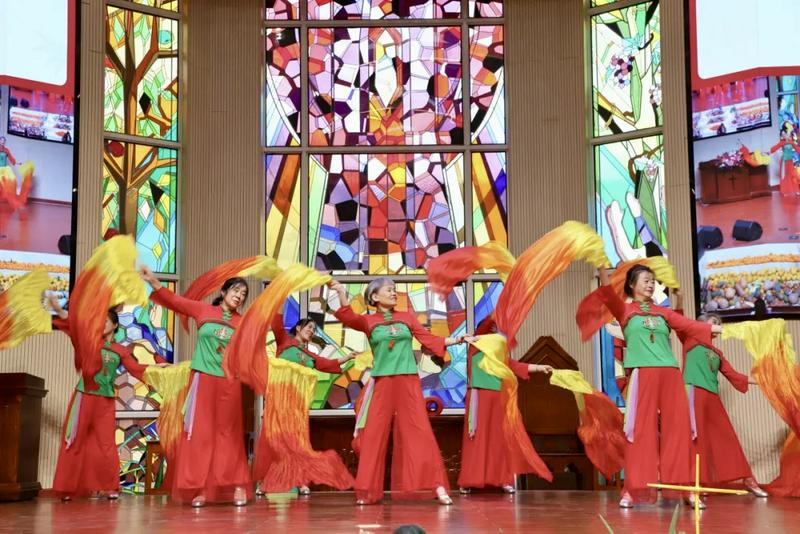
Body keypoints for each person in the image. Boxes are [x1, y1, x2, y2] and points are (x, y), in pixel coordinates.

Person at [328, 277, 476, 505]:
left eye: (395, 290)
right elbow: (348, 317)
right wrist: (340, 292)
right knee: (375, 433)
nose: (394, 293)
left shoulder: (407, 318)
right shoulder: (368, 321)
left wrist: (457, 339)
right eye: (389, 290)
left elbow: (428, 339)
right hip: (382, 382)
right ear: (374, 297)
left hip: (408, 382)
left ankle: (438, 487)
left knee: (419, 430)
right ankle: (367, 490)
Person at [584, 265, 722, 508]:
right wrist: (601, 266)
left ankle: (687, 489)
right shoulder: (624, 310)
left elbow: (689, 325)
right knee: (639, 431)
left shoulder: (663, 313)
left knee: (680, 430)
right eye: (645, 280)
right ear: (631, 285)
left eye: (653, 281)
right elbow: (606, 293)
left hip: (670, 373)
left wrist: (717, 328)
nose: (650, 284)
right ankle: (631, 490)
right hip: (643, 374)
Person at [141, 266, 251, 507]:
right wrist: (153, 281)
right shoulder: (203, 310)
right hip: (203, 380)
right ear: (223, 292)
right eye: (236, 290)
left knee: (229, 435)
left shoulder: (243, 323)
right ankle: (201, 489)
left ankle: (236, 486)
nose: (240, 296)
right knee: (200, 435)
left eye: (244, 293)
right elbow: (175, 301)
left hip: (229, 384)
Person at [49, 296, 166, 500]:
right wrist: (59, 310)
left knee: (106, 445)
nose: (100, 324)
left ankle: (110, 487)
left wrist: (158, 367)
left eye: (105, 321)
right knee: (75, 441)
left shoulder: (120, 350)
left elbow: (136, 369)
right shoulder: (88, 341)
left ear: (114, 325)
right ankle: (68, 489)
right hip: (84, 396)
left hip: (106, 401)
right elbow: (73, 327)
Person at [672, 291, 767, 498]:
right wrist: (679, 299)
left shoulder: (718, 354)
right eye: (713, 322)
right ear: (702, 324)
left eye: (717, 323)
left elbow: (734, 375)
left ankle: (748, 479)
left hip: (712, 396)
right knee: (696, 439)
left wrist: (762, 381)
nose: (716, 327)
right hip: (693, 392)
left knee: (726, 437)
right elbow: (678, 320)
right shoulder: (689, 339)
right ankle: (694, 486)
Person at [253, 315, 356, 496]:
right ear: (298, 328)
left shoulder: (310, 355)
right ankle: (263, 483)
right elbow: (276, 321)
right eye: (308, 327)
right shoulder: (284, 342)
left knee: (297, 443)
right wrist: (277, 293)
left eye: (314, 329)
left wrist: (347, 357)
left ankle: (300, 482)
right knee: (275, 441)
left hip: (297, 404)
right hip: (279, 402)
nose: (311, 331)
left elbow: (327, 364)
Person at [458, 317, 553, 494]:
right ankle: (470, 480)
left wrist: (539, 368)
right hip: (478, 396)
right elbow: (483, 328)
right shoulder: (475, 346)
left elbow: (513, 365)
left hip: (498, 397)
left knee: (499, 439)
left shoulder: (499, 350)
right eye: (492, 328)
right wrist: (495, 315)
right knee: (476, 438)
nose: (495, 331)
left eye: (496, 329)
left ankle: (502, 480)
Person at [770, 121, 800, 196]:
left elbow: (798, 149)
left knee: (793, 175)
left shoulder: (791, 142)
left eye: (786, 133)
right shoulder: (782, 143)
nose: (785, 135)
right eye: (783, 134)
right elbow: (773, 149)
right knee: (784, 176)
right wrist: (768, 152)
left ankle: (796, 190)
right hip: (784, 162)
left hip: (790, 161)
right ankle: (785, 191)